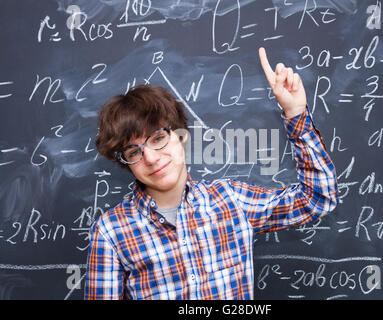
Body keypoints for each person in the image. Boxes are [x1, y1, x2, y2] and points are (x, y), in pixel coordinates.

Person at [84, 47, 339, 299]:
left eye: (158, 138)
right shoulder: (110, 232)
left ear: (180, 136)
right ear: (126, 162)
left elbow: (317, 198)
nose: (150, 158)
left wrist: (296, 114)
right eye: (133, 152)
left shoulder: (230, 200)